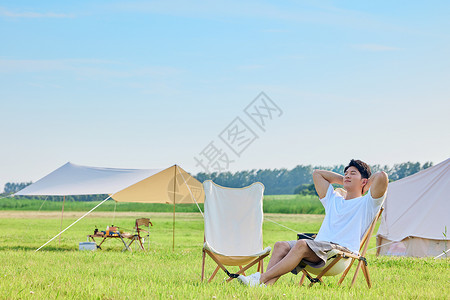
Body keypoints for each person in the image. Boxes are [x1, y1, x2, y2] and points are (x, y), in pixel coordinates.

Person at [237, 159, 388, 287]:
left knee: (302, 244)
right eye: (346, 173)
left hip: (340, 254)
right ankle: (264, 287)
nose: (347, 175)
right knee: (280, 245)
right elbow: (317, 174)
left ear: (364, 181)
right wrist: (344, 180)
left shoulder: (367, 204)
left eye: (352, 173)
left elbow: (381, 176)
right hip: (320, 249)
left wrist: (365, 187)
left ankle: (260, 278)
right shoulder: (333, 200)